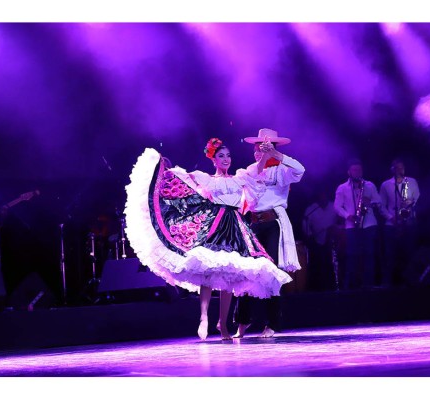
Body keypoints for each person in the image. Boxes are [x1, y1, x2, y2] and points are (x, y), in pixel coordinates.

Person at [124, 138, 291, 341]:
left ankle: (223, 325)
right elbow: (181, 178)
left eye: (228, 155)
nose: (226, 159)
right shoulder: (206, 178)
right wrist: (162, 167)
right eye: (221, 156)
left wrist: (268, 152)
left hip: (236, 227)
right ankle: (204, 317)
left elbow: (259, 166)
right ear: (213, 159)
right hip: (215, 225)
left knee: (228, 277)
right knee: (209, 273)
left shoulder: (240, 177)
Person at [233, 128, 305, 338]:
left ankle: (272, 324)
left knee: (271, 274)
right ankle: (242, 323)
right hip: (254, 225)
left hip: (273, 224)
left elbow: (300, 170)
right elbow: (249, 183)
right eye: (256, 148)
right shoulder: (250, 170)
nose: (258, 152)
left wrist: (276, 156)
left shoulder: (282, 170)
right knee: (247, 272)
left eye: (263, 148)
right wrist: (263, 160)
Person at [334, 159, 381, 289]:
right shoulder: (342, 188)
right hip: (351, 225)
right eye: (354, 170)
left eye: (359, 170)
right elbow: (337, 206)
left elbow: (379, 200)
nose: (357, 172)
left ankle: (369, 285)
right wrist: (347, 216)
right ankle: (353, 286)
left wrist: (370, 202)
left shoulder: (369, 185)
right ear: (349, 172)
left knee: (369, 255)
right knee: (352, 255)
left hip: (369, 224)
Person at [379, 159, 420, 287]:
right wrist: (390, 217)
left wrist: (409, 203)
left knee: (409, 253)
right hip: (392, 225)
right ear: (392, 169)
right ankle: (388, 284)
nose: (400, 170)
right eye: (397, 168)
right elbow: (381, 205)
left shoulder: (411, 181)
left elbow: (417, 197)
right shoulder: (386, 185)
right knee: (390, 255)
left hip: (408, 223)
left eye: (402, 168)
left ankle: (411, 283)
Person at [302, 188, 338, 291]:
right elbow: (305, 224)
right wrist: (310, 235)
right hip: (317, 241)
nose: (323, 199)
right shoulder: (311, 209)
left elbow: (339, 221)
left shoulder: (333, 207)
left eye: (324, 197)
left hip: (331, 241)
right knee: (317, 260)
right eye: (320, 197)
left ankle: (332, 283)